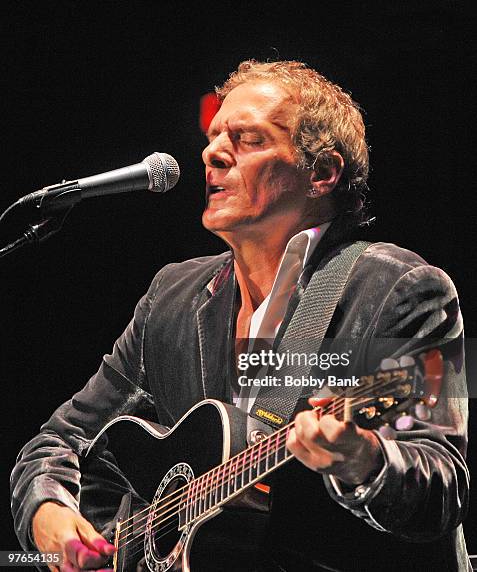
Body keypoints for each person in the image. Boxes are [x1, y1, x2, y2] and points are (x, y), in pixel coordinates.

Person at [11, 61, 470, 571]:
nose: (212, 153)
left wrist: (363, 461)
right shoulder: (172, 296)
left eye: (248, 139)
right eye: (212, 137)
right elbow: (60, 440)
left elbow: (444, 486)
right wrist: (47, 514)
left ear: (321, 173)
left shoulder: (398, 289)